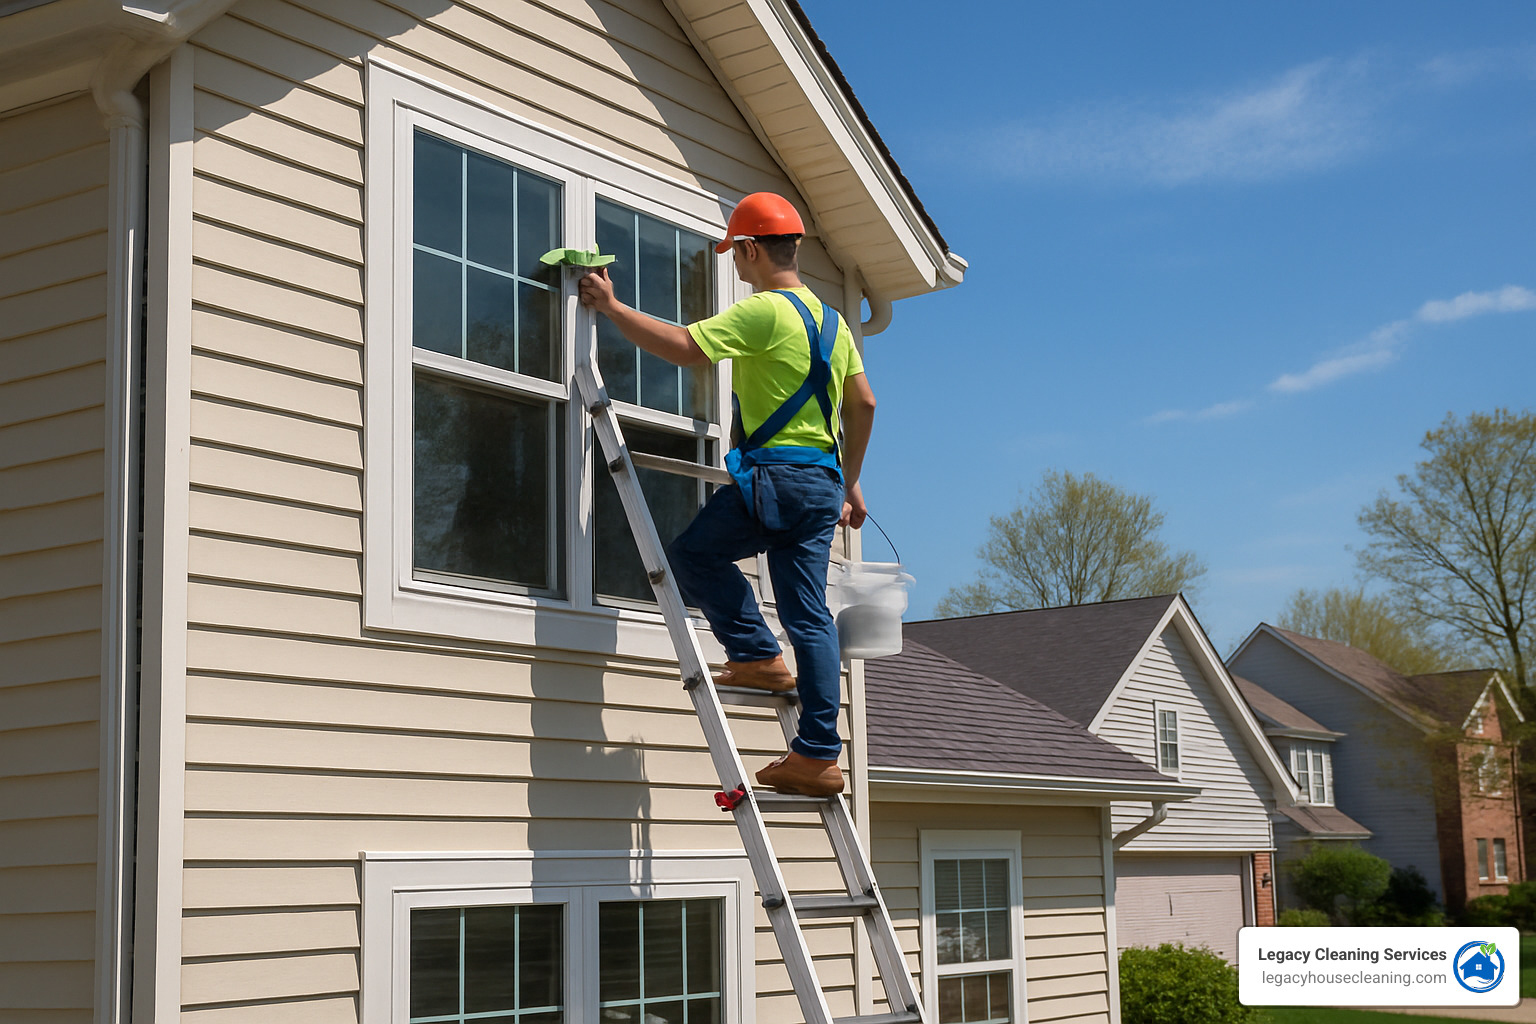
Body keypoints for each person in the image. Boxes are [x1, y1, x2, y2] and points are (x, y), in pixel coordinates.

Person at [578, 192, 876, 798]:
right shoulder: (832, 322)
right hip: (821, 483)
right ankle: (819, 754)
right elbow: (862, 403)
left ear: (751, 250)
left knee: (693, 555)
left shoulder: (763, 311)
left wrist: (610, 306)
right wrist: (848, 480)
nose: (735, 266)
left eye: (735, 254)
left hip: (776, 479)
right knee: (809, 615)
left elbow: (685, 348)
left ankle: (756, 654)